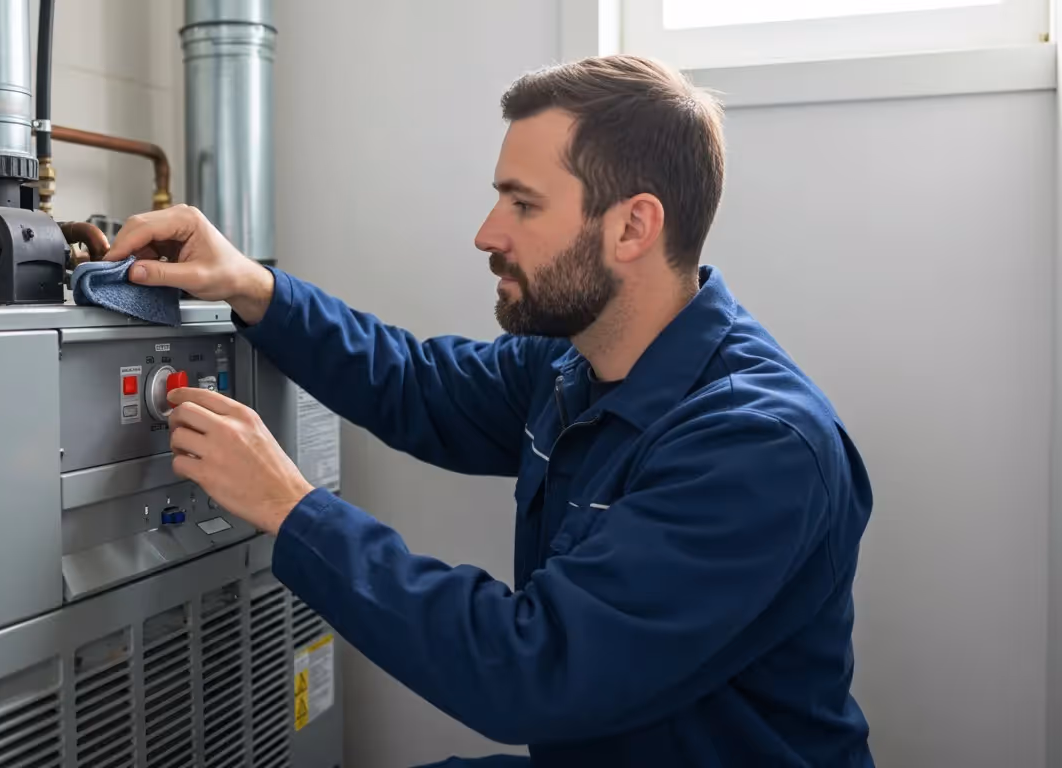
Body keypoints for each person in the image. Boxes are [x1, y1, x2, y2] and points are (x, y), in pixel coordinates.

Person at [105, 54, 874, 767]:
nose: (486, 234)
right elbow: (416, 383)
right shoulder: (574, 364)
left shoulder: (754, 445)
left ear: (633, 227)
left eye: (523, 204)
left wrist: (292, 507)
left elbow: (533, 668)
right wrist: (252, 286)